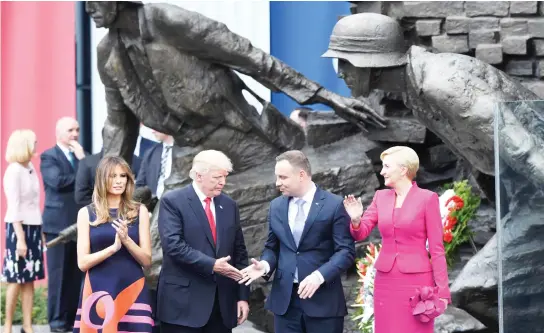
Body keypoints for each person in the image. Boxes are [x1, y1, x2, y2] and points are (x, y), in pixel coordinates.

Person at [85, 1, 386, 186]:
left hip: (243, 136)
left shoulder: (168, 22)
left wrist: (324, 95)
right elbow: (118, 125)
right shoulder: (108, 55)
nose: (89, 9)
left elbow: (252, 59)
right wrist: (104, 195)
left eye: (93, 0)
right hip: (189, 151)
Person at [322, 12, 544, 192]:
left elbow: (525, 149)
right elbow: (479, 150)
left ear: (371, 62)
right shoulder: (416, 91)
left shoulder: (440, 84)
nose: (341, 73)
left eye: (344, 62)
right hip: (523, 186)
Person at [239, 150, 355, 333]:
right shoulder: (276, 206)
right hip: (285, 304)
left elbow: (346, 252)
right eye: (277, 177)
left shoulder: (334, 204)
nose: (278, 183)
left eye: (283, 177)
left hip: (323, 301)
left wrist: (319, 276)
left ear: (301, 175)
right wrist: (265, 266)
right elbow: (272, 247)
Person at [343, 146, 450, 333]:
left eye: (386, 166)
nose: (382, 171)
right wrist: (356, 219)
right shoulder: (380, 197)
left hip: (417, 282)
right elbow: (360, 233)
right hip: (386, 281)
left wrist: (442, 293)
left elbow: (437, 249)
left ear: (403, 170)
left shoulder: (428, 199)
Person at [157, 150, 250, 333]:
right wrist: (213, 265)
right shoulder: (173, 201)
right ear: (199, 176)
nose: (222, 182)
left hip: (221, 308)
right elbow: (173, 246)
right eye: (217, 177)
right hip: (182, 307)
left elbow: (240, 252)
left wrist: (242, 297)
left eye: (224, 176)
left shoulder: (229, 205)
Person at [73, 156, 153, 333]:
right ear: (102, 179)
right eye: (112, 176)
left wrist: (126, 240)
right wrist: (113, 249)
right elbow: (82, 263)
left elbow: (147, 261)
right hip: (98, 287)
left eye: (123, 176)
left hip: (132, 285)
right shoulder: (86, 213)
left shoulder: (139, 211)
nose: (119, 181)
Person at [40, 117, 85, 332]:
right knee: (58, 276)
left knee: (76, 275)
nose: (75, 134)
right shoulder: (49, 156)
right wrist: (82, 169)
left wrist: (83, 161)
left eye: (77, 130)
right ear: (59, 133)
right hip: (57, 225)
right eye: (70, 130)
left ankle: (71, 320)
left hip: (80, 224)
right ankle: (57, 322)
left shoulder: (81, 158)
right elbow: (57, 181)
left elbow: (90, 181)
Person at [2, 129, 45, 333]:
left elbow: (34, 203)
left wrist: (40, 232)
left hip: (33, 227)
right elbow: (14, 206)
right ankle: (8, 325)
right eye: (34, 142)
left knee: (29, 279)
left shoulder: (29, 168)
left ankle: (27, 326)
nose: (36, 145)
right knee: (15, 278)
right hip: (18, 229)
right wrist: (20, 239)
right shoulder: (14, 171)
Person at [135, 130, 173, 199]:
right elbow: (139, 184)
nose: (153, 131)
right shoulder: (150, 153)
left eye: (156, 128)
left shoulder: (186, 152)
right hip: (153, 204)